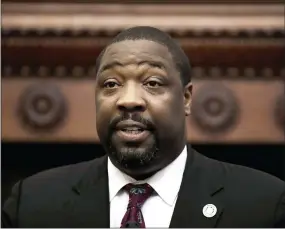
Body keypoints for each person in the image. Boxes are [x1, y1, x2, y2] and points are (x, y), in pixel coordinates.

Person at [2, 26, 285, 228]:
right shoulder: (32, 204)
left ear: (186, 99)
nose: (129, 100)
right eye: (111, 85)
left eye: (152, 83)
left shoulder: (264, 205)